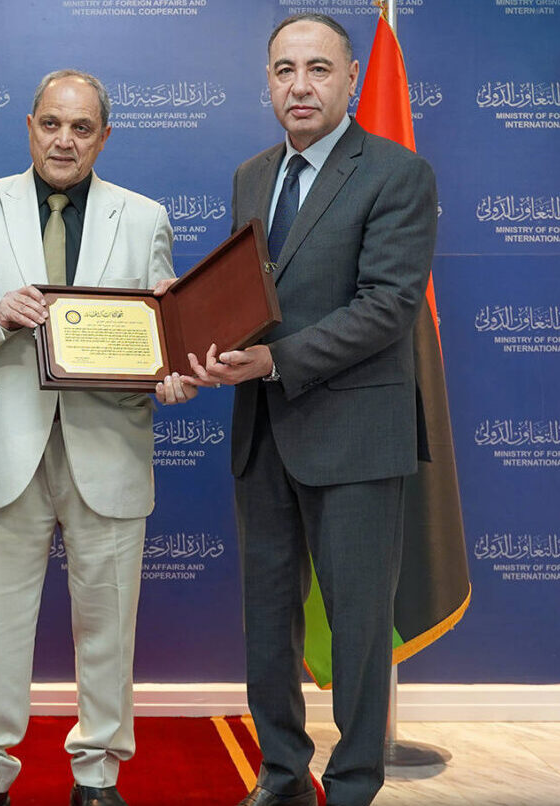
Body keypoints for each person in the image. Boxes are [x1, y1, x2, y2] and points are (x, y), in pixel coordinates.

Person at [0, 69, 195, 806]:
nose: (64, 140)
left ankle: (97, 774)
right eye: (51, 124)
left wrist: (174, 371)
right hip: (4, 450)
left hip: (111, 448)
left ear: (105, 136)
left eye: (81, 128)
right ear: (30, 127)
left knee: (109, 628)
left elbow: (164, 330)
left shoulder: (145, 217)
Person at [184, 14, 438, 806]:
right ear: (267, 81)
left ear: (352, 78)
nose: (300, 85)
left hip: (356, 437)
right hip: (262, 435)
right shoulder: (251, 175)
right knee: (267, 622)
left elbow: (387, 307)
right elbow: (244, 297)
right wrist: (192, 336)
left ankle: (354, 782)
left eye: (319, 69)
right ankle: (283, 773)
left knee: (359, 627)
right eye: (284, 69)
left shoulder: (397, 174)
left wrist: (275, 360)